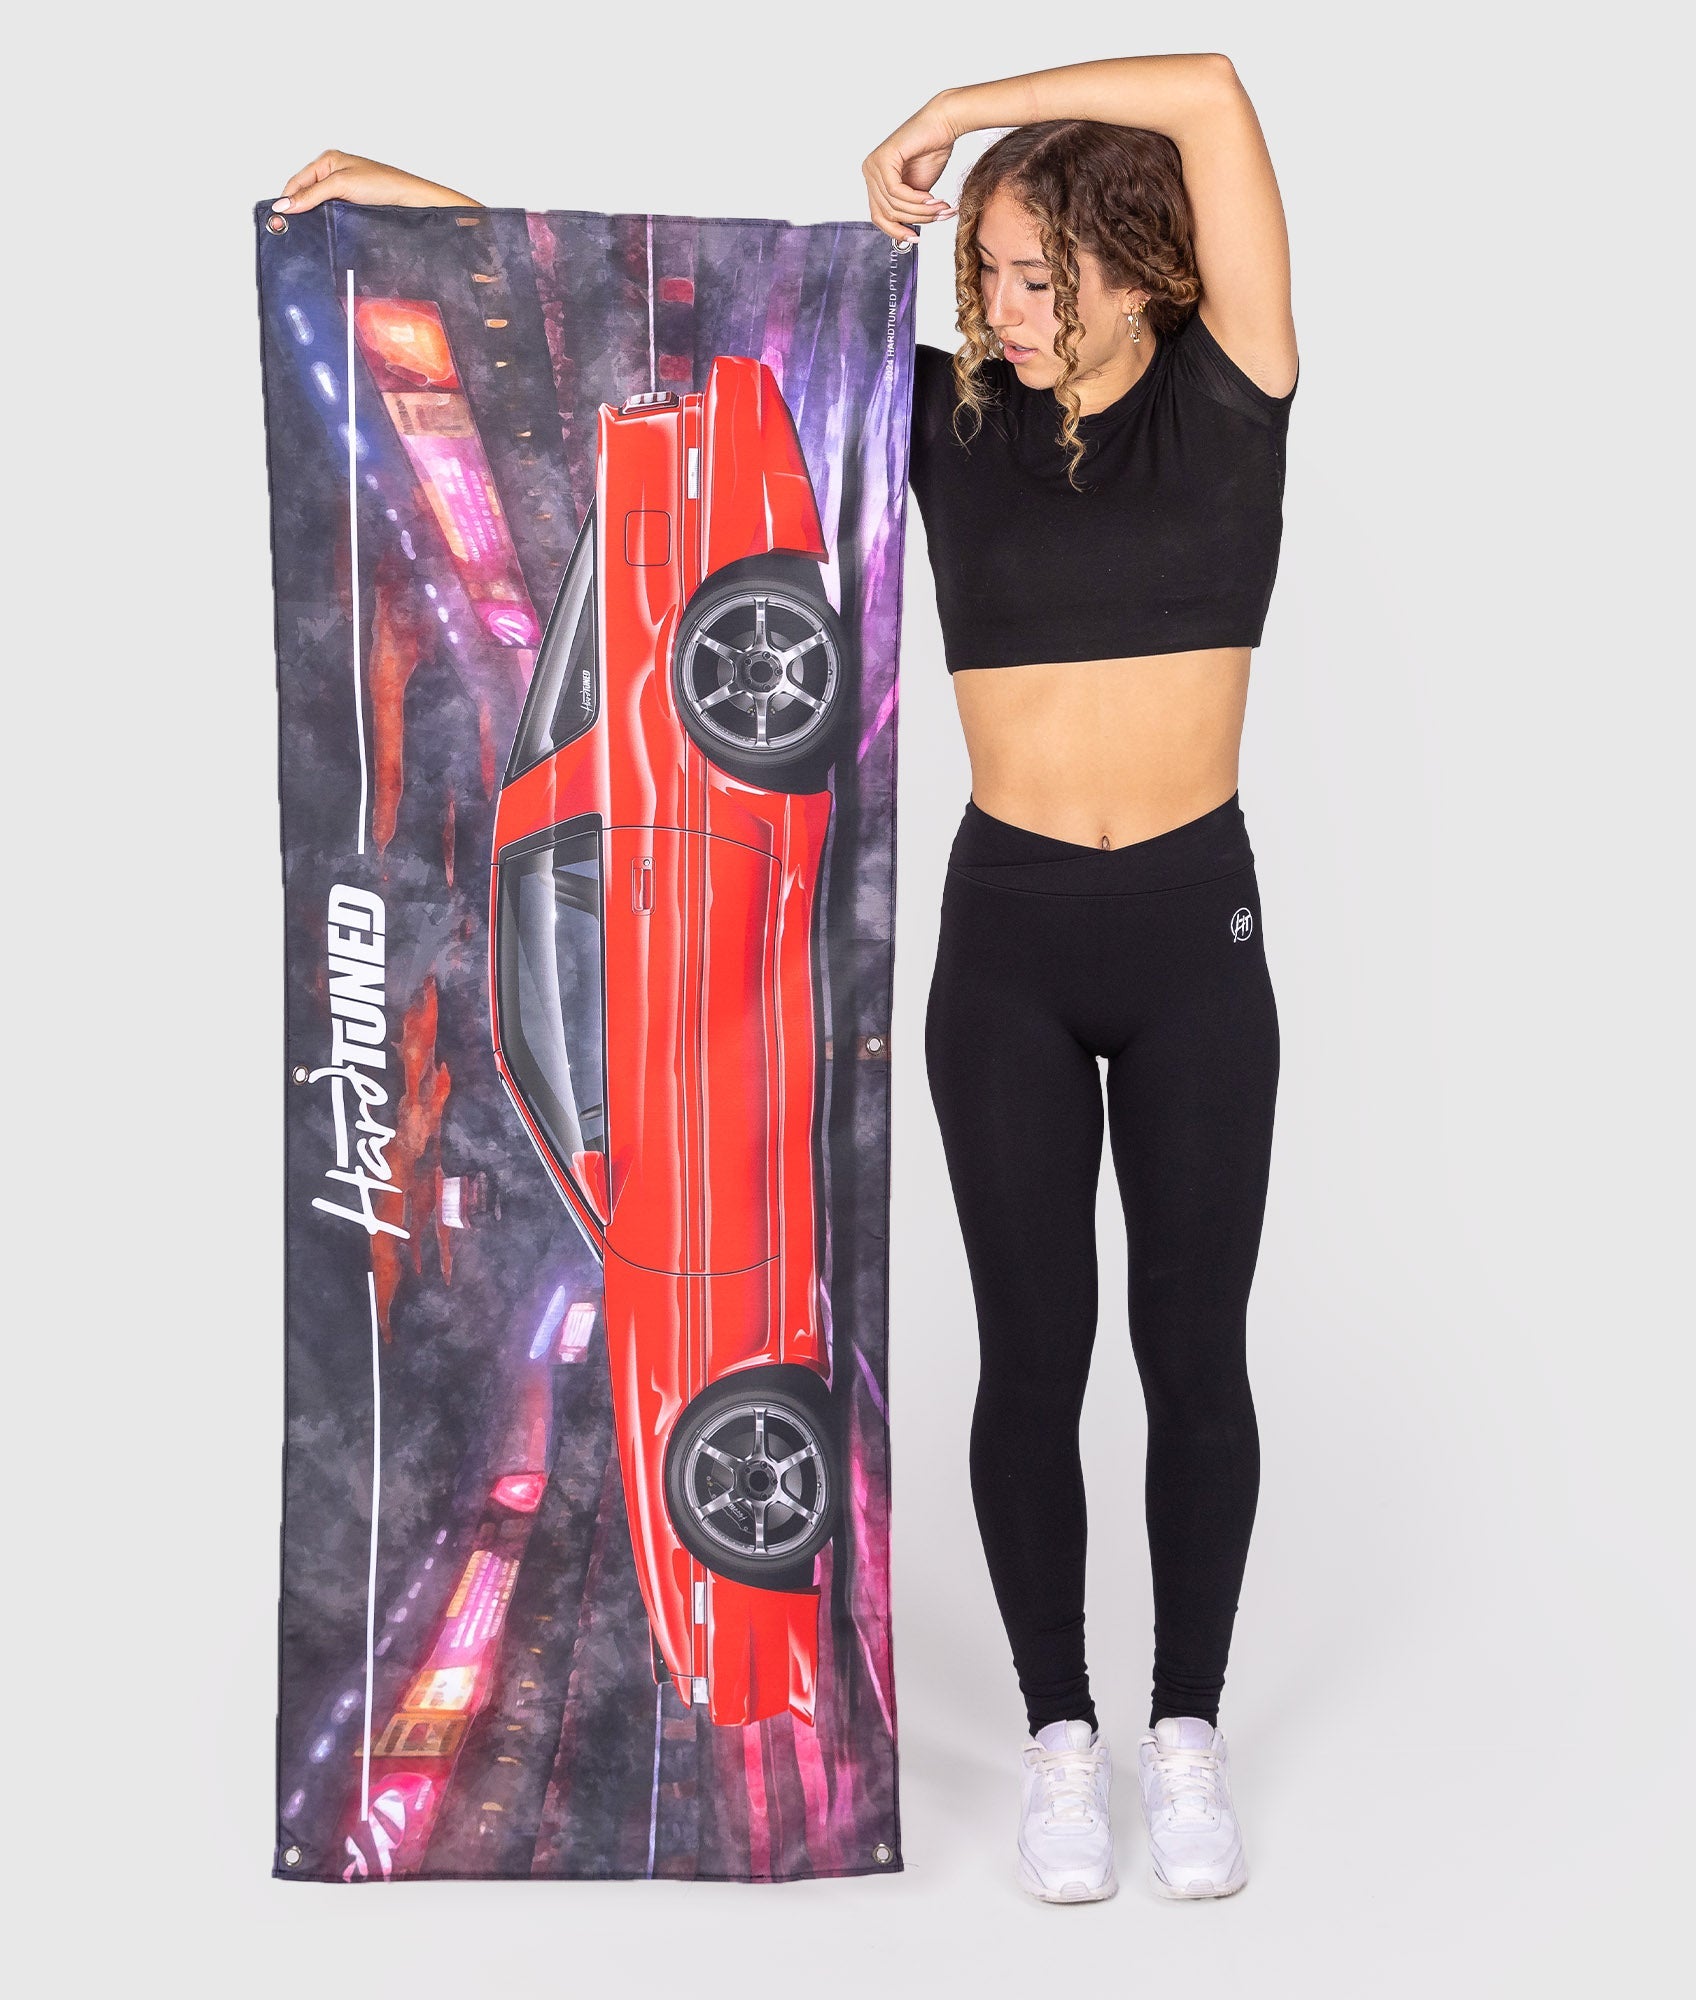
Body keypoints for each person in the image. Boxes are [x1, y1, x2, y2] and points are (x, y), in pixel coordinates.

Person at [275, 54, 1297, 1905]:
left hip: (1194, 944)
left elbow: (1215, 94)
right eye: (983, 275)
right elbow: (652, 332)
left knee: (1193, 1352)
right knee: (1034, 1355)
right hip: (1011, 949)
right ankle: (1063, 1742)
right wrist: (403, 207)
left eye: (1036, 274)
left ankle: (1187, 1732)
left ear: (1140, 267)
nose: (1001, 309)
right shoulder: (949, 424)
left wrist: (957, 110)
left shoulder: (1234, 397)